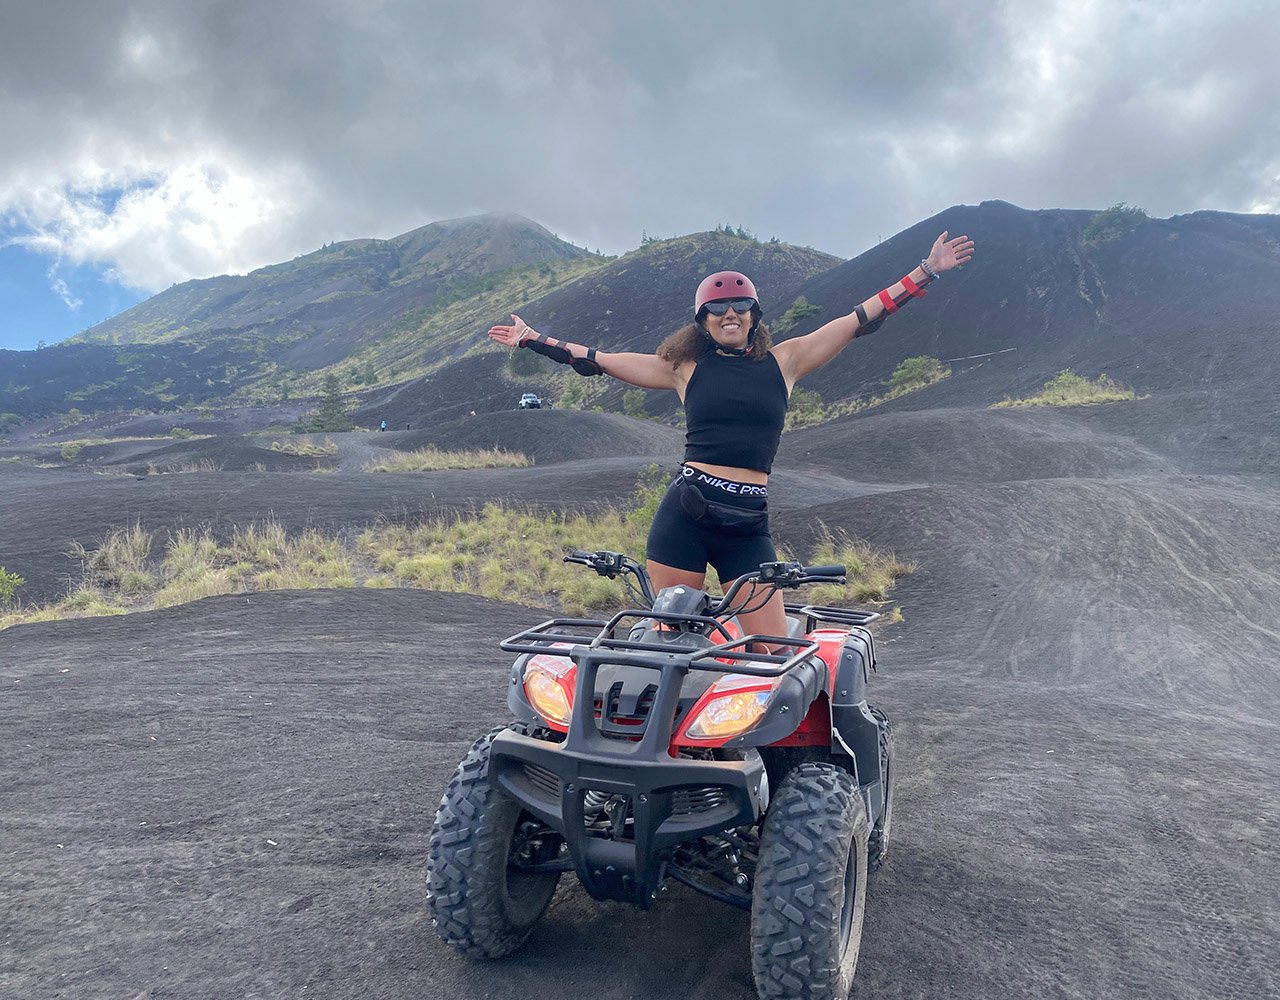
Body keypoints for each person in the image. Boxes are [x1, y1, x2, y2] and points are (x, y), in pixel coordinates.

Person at [488, 231, 975, 643]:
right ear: (702, 320)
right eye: (717, 309)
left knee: (774, 652)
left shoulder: (786, 361)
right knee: (672, 643)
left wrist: (926, 271)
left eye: (741, 307)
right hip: (686, 514)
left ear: (754, 315)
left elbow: (859, 319)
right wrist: (533, 339)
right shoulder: (682, 367)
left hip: (747, 525)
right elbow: (597, 359)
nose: (730, 315)